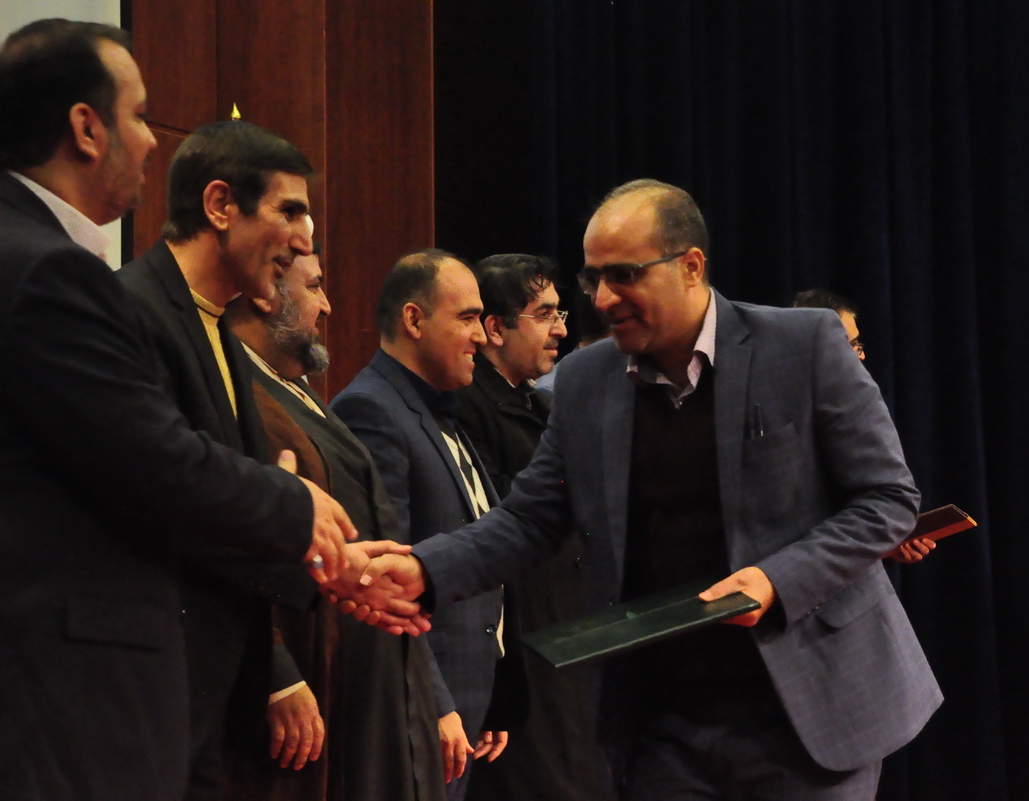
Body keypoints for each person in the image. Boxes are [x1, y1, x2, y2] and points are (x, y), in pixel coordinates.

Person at [0, 20, 355, 801]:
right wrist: (294, 504)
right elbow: (154, 463)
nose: (149, 142)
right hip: (17, 717)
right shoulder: (45, 271)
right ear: (85, 128)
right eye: (138, 116)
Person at [351, 180, 942, 800]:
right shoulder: (585, 381)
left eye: (625, 275)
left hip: (813, 708)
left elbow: (887, 500)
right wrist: (423, 569)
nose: (604, 298)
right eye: (594, 279)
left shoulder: (804, 345)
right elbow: (528, 519)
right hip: (664, 725)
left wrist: (777, 580)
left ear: (691, 267)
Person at [116, 119, 331, 801]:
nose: (305, 240)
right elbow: (162, 500)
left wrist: (332, 563)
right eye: (289, 211)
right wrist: (285, 507)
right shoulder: (130, 312)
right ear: (219, 206)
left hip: (207, 708)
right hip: (147, 701)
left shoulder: (213, 322)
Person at [224, 248, 446, 801]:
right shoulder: (234, 389)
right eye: (315, 286)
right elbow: (230, 546)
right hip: (308, 670)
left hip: (366, 668)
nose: (327, 306)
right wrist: (275, 669)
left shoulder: (294, 388)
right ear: (265, 294)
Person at [331, 249, 525, 800]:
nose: (482, 336)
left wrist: (496, 691)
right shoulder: (371, 410)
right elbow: (381, 582)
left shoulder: (440, 405)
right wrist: (434, 702)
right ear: (414, 320)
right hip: (423, 706)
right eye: (467, 318)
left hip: (470, 699)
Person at [453, 254, 612, 801]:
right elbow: (498, 521)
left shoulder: (541, 405)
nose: (561, 329)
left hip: (568, 639)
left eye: (560, 313)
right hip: (522, 652)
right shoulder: (467, 408)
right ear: (495, 328)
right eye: (544, 315)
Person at [791, 289, 934, 563]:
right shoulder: (777, 407)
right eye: (849, 345)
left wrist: (888, 537)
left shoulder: (858, 404)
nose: (861, 356)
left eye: (858, 344)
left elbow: (882, 499)